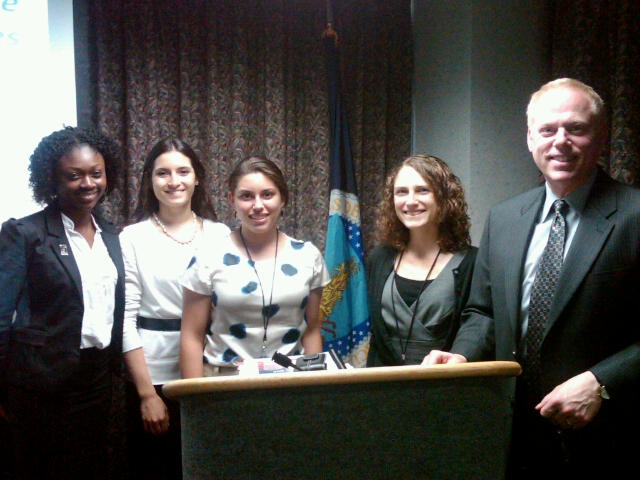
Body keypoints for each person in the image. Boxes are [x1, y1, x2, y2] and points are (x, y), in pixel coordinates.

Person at [424, 78, 640, 478]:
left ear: (601, 135)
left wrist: (601, 382)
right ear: (529, 139)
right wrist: (463, 355)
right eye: (548, 129)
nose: (561, 141)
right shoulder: (504, 218)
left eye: (576, 128)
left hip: (606, 437)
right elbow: (482, 311)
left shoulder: (634, 215)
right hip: (514, 435)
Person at [0, 126, 124, 479]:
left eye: (96, 174)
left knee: (90, 465)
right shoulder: (25, 233)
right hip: (41, 382)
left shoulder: (110, 235)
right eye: (74, 175)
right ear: (51, 180)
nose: (88, 183)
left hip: (97, 378)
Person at [120, 137, 230, 478]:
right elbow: (125, 320)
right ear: (150, 181)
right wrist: (145, 395)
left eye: (183, 171)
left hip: (212, 371)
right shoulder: (131, 237)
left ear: (197, 178)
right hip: (154, 377)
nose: (173, 181)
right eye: (162, 173)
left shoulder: (222, 234)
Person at [180, 155, 330, 377]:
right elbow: (192, 336)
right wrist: (194, 399)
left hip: (290, 383)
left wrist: (314, 389)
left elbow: (312, 330)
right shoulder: (207, 258)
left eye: (267, 195)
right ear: (232, 200)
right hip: (224, 384)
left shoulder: (309, 257)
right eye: (246, 196)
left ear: (283, 199)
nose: (258, 205)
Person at [366, 155, 476, 366]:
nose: (410, 201)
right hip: (385, 390)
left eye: (422, 190)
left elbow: (477, 330)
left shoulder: (472, 263)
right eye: (401, 192)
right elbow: (377, 341)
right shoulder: (379, 259)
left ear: (444, 197)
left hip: (448, 388)